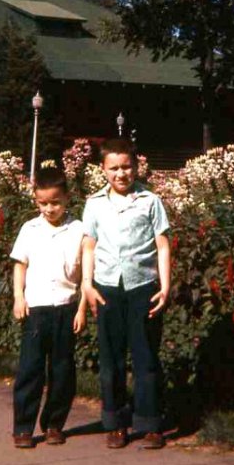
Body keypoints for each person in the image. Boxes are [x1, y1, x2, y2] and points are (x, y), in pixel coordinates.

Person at [81, 137, 171, 449]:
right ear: (103, 169)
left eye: (127, 166)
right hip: (107, 289)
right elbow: (89, 247)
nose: (121, 173)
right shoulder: (94, 204)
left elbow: (162, 245)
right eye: (114, 168)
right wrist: (87, 285)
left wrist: (165, 286)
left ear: (136, 165)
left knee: (145, 357)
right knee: (112, 359)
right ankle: (116, 422)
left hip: (143, 288)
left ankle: (149, 422)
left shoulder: (150, 200)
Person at [10, 165, 87, 448]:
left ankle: (54, 424)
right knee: (30, 369)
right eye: (42, 203)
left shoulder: (78, 229)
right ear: (35, 201)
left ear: (67, 198)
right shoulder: (29, 229)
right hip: (36, 309)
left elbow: (84, 270)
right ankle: (23, 428)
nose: (49, 208)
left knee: (62, 369)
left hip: (65, 308)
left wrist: (81, 308)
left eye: (55, 202)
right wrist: (19, 297)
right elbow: (21, 265)